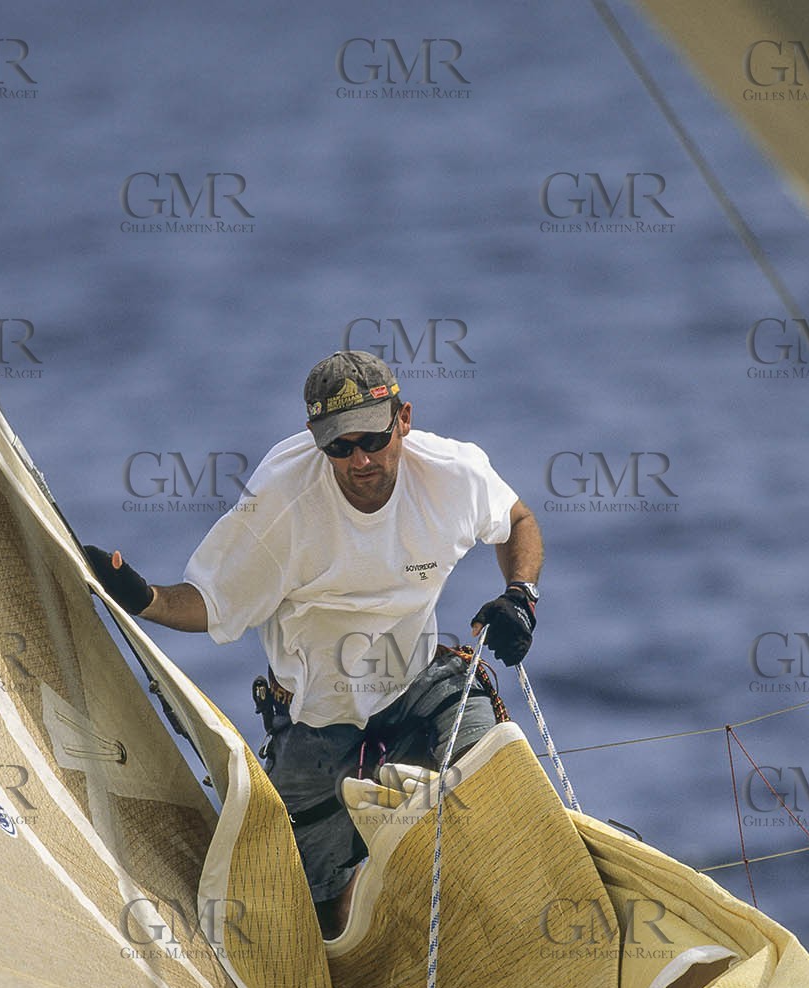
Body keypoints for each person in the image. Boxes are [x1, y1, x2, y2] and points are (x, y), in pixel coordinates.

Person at [85, 351, 543, 937]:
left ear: (403, 418)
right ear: (314, 439)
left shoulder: (454, 475)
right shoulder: (280, 502)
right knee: (321, 916)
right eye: (339, 446)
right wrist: (141, 596)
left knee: (503, 796)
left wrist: (520, 595)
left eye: (373, 440)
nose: (359, 460)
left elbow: (519, 519)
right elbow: (208, 602)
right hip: (314, 720)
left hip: (419, 687)